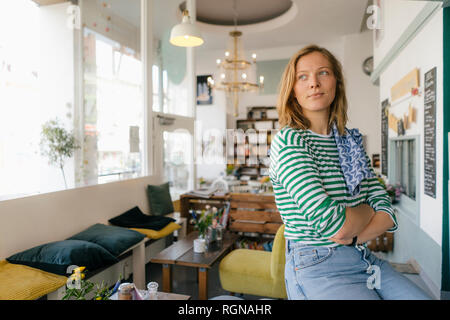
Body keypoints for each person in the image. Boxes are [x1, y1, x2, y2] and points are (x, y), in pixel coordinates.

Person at [269, 44, 432, 300]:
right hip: (318, 264)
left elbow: (387, 211)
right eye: (303, 76)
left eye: (323, 73)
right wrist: (367, 212)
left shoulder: (349, 142)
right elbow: (335, 224)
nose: (314, 83)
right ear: (293, 89)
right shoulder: (290, 141)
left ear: (336, 83)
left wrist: (354, 235)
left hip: (363, 256)